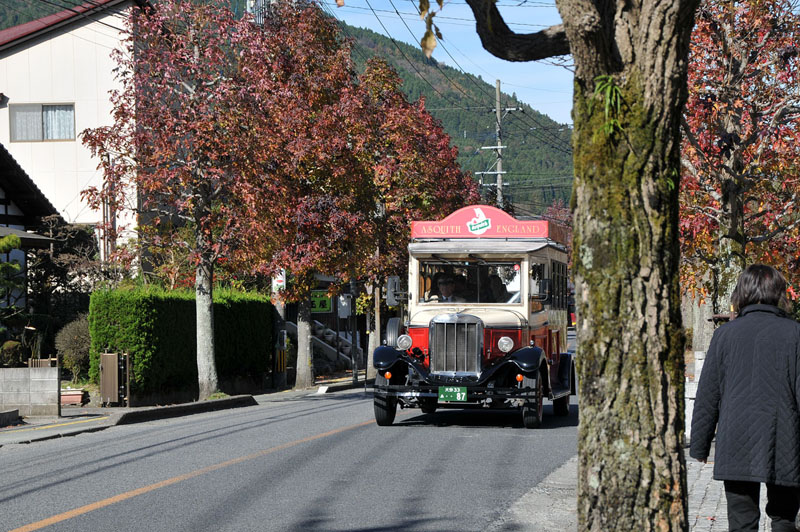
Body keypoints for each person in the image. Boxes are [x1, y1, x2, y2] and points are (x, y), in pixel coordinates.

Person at [690, 264, 800, 532]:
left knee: (741, 521)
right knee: (784, 517)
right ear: (779, 293)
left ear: (742, 293)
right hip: (784, 439)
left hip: (736, 438)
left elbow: (708, 395)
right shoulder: (796, 334)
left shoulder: (725, 335)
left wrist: (700, 445)